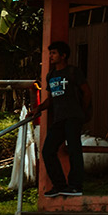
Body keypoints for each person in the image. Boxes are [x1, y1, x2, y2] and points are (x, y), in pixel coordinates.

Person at [37, 39, 88, 199]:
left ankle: (75, 186)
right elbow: (50, 98)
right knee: (47, 150)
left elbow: (87, 92)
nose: (50, 56)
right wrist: (37, 109)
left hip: (73, 116)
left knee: (74, 150)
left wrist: (82, 112)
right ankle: (59, 185)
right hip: (59, 119)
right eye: (50, 53)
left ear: (63, 55)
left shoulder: (73, 72)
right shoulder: (50, 75)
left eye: (53, 53)